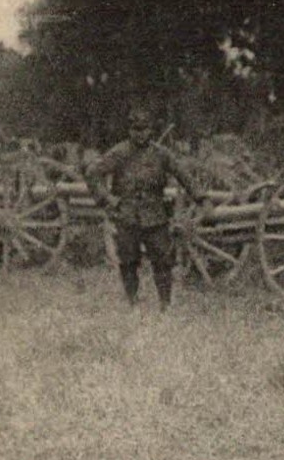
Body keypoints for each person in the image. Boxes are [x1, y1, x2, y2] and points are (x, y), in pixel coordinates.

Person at [85, 108, 209, 310]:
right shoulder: (119, 153)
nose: (140, 134)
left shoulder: (161, 154)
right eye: (136, 129)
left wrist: (201, 198)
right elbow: (92, 173)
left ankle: (165, 305)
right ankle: (132, 303)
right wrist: (107, 199)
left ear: (151, 130)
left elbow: (183, 175)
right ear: (130, 130)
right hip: (127, 215)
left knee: (162, 261)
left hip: (156, 216)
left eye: (144, 129)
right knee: (128, 261)